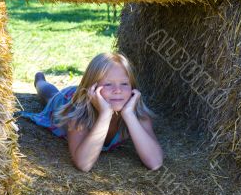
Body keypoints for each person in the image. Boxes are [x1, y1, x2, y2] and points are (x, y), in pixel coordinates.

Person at [18, 52, 163, 172]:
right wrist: (106, 114)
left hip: (91, 97)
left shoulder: (138, 114)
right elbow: (84, 164)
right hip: (69, 100)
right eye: (108, 84)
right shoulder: (78, 114)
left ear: (133, 88)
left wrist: (129, 115)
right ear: (92, 88)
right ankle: (39, 80)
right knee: (49, 96)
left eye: (124, 84)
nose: (117, 90)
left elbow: (155, 162)